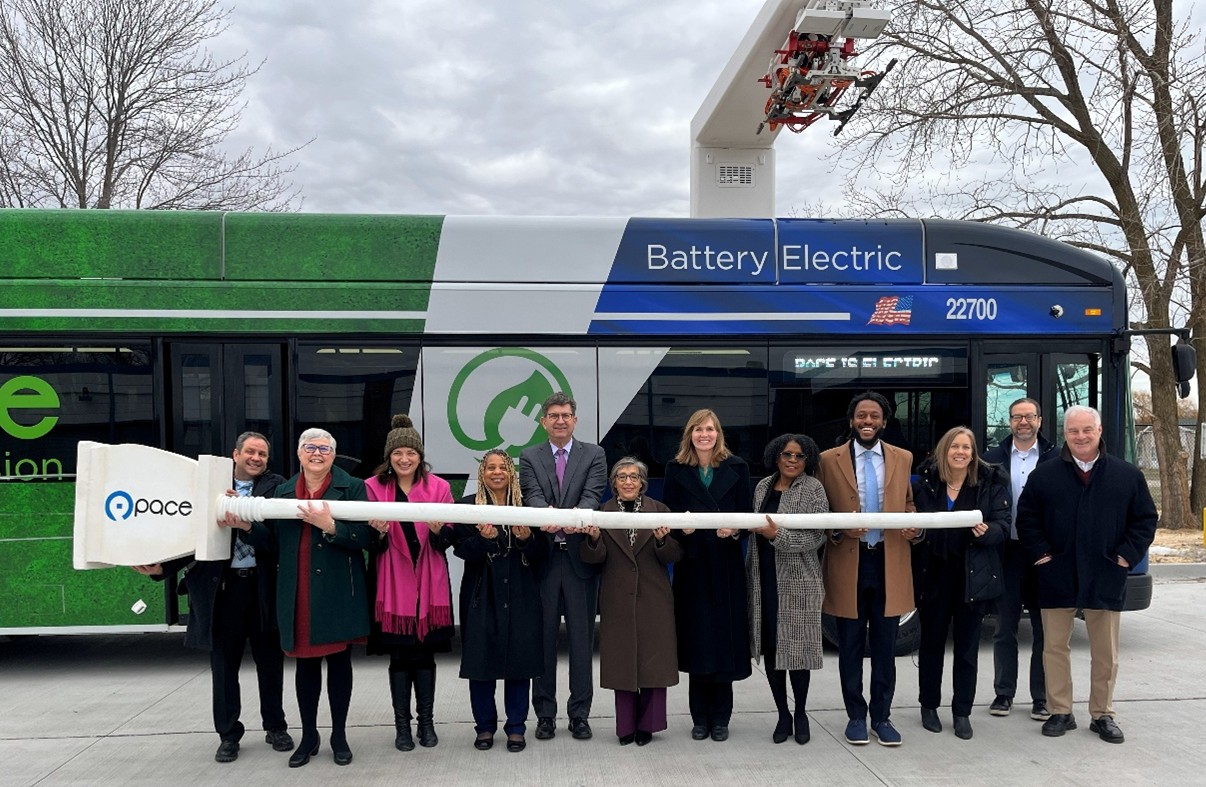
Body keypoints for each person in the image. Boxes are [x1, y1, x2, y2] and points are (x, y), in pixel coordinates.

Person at [133, 431, 292, 764]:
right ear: (235, 454)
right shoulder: (209, 485)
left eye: (263, 454)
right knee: (223, 667)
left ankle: (275, 726)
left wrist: (248, 525)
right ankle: (228, 735)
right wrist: (160, 567)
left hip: (262, 588)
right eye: (250, 452)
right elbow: (192, 536)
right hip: (223, 590)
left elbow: (280, 543)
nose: (257, 458)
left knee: (270, 663)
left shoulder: (277, 487)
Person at [1016, 405, 1157, 744]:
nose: (1080, 437)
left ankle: (1103, 714)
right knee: (1054, 647)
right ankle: (1060, 711)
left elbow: (1145, 519)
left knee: (1105, 651)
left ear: (1098, 431)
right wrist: (1042, 555)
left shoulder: (1126, 475)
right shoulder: (1045, 475)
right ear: (1065, 434)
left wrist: (1125, 556)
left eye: (1086, 430)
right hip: (1056, 574)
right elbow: (1027, 518)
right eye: (1073, 431)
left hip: (1106, 573)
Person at [241, 428, 372, 768]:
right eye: (310, 447)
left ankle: (339, 735)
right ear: (299, 453)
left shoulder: (353, 487)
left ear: (333, 454)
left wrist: (331, 526)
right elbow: (270, 542)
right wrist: (245, 527)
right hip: (297, 589)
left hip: (338, 590)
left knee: (340, 664)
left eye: (325, 448)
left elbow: (365, 537)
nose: (317, 453)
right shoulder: (282, 491)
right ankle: (309, 735)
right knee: (306, 665)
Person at [816, 391, 921, 748]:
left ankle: (882, 717)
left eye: (874, 416)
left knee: (886, 646)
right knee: (849, 646)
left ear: (884, 422)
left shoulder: (902, 457)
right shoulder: (828, 460)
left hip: (889, 562)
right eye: (861, 416)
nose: (867, 422)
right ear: (851, 421)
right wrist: (840, 528)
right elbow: (820, 512)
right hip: (849, 561)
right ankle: (856, 717)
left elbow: (908, 504)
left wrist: (915, 527)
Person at [518, 392, 608, 742]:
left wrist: (575, 517)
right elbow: (531, 493)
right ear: (543, 421)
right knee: (541, 641)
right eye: (553, 415)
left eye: (566, 415)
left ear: (575, 420)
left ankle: (580, 714)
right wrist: (549, 517)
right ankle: (544, 714)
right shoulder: (529, 457)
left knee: (582, 641)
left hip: (578, 560)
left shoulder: (594, 454)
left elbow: (592, 492)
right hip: (544, 559)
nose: (559, 420)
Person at [912, 426, 1010, 740]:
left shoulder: (991, 481)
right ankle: (929, 706)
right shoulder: (926, 481)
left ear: (973, 452)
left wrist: (989, 532)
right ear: (945, 450)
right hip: (934, 575)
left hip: (973, 577)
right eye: (954, 446)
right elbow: (918, 526)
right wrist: (916, 535)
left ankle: (962, 712)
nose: (960, 452)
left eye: (966, 447)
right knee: (931, 646)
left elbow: (1003, 526)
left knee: (967, 649)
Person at [365, 415, 454, 752]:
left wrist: (438, 531)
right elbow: (366, 542)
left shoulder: (440, 488)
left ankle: (426, 723)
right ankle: (402, 727)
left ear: (420, 456)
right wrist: (379, 535)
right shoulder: (372, 488)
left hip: (430, 582)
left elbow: (449, 539)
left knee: (425, 656)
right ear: (389, 456)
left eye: (411, 453)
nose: (404, 459)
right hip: (392, 583)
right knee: (400, 657)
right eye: (398, 453)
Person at [663, 408, 753, 743]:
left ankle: (721, 718)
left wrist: (734, 531)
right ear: (690, 434)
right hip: (693, 565)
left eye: (711, 429)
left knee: (723, 640)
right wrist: (681, 530)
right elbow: (668, 514)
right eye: (699, 429)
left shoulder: (737, 467)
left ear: (719, 434)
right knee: (697, 639)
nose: (705, 435)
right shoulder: (676, 469)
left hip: (726, 565)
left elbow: (747, 517)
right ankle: (699, 717)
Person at [582, 457, 683, 746]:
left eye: (634, 477)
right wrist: (592, 540)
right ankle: (626, 727)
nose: (628, 481)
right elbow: (593, 559)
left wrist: (664, 542)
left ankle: (648, 726)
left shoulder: (659, 510)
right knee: (622, 663)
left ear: (642, 483)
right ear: (613, 483)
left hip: (654, 597)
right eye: (622, 477)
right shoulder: (602, 513)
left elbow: (675, 555)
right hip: (617, 597)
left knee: (654, 663)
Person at [452, 449, 548, 753]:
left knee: (519, 661)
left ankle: (516, 727)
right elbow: (460, 550)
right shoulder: (467, 507)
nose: (496, 472)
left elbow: (541, 554)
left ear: (511, 473)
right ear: (482, 473)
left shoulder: (527, 507)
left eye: (503, 468)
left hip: (521, 592)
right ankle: (484, 727)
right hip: (482, 592)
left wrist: (526, 539)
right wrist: (484, 539)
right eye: (490, 467)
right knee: (482, 663)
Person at [747, 434, 829, 745]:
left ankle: (802, 713)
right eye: (787, 454)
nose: (792, 460)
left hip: (799, 581)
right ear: (776, 456)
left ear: (808, 460)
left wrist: (776, 535)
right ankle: (782, 713)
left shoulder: (814, 489)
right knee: (771, 649)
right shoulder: (762, 487)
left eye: (799, 456)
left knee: (797, 653)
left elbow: (816, 536)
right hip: (763, 577)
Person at [981, 397, 1056, 721]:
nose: (1022, 422)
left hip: (1044, 554)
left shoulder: (1056, 459)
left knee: (1044, 630)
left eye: (1029, 416)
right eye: (1016, 417)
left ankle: (1041, 697)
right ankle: (1004, 694)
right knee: (1005, 627)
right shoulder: (991, 460)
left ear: (1040, 420)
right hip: (1006, 553)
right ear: (1009, 422)